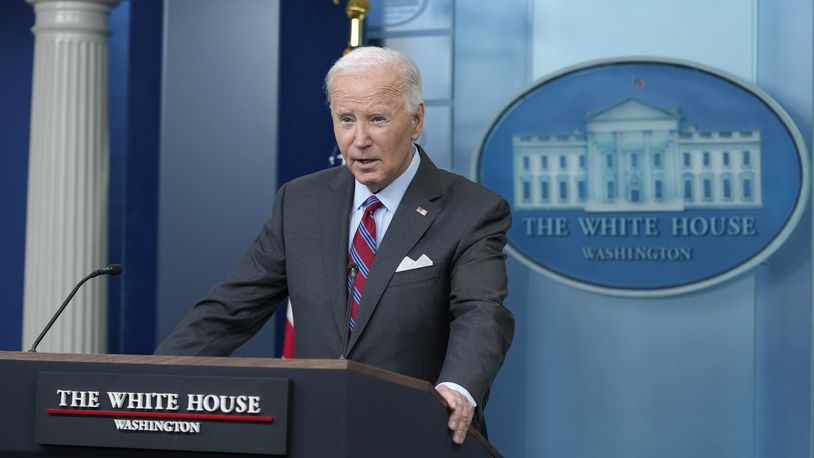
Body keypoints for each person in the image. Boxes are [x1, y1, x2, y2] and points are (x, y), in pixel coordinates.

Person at [155, 46, 514, 445]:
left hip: (419, 434)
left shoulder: (472, 210)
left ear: (416, 121)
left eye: (377, 119)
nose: (359, 140)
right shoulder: (301, 202)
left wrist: (458, 390)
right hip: (317, 434)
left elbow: (482, 313)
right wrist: (155, 377)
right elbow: (231, 308)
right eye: (346, 120)